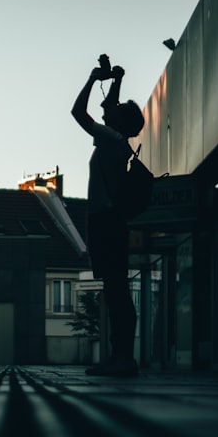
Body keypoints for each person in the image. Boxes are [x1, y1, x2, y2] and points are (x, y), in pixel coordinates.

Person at [71, 56, 145, 378]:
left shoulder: (111, 139)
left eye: (113, 110)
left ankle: (123, 358)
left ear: (119, 121)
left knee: (116, 290)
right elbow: (112, 106)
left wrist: (91, 78)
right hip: (110, 221)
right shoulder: (117, 139)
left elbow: (78, 113)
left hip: (106, 222)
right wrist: (116, 77)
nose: (107, 108)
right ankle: (120, 356)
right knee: (116, 288)